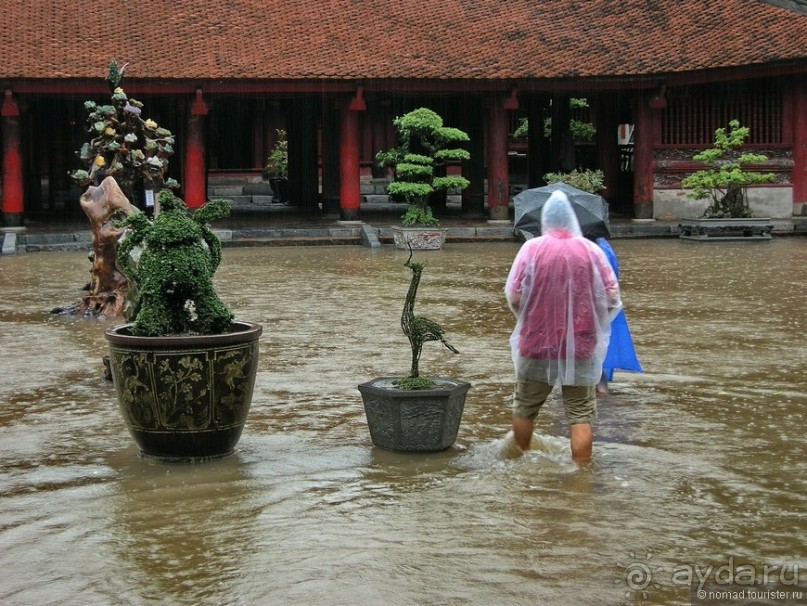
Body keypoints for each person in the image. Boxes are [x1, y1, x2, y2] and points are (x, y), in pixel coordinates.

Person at [504, 191, 622, 463]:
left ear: (546, 219)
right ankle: (581, 476)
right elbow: (612, 296)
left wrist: (532, 315)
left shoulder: (531, 249)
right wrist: (591, 316)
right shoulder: (591, 251)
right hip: (581, 344)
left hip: (536, 341)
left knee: (525, 408)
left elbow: (514, 296)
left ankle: (519, 465)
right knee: (580, 413)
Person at [592, 237, 643, 395]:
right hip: (606, 312)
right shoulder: (604, 247)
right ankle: (601, 392)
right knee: (598, 356)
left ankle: (599, 392)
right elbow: (612, 289)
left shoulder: (587, 249)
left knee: (588, 359)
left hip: (589, 313)